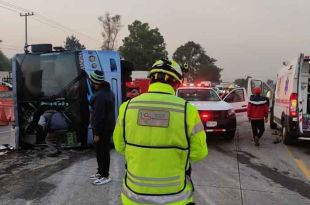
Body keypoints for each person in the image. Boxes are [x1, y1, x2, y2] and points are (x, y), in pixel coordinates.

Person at [113, 59, 208, 205]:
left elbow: (119, 147)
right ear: (177, 83)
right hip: (175, 197)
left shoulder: (127, 107)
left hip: (134, 196)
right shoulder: (187, 110)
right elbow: (198, 153)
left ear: (150, 80)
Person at [88, 70, 115, 185]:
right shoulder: (109, 92)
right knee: (101, 151)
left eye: (91, 80)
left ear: (95, 81)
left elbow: (99, 116)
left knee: (102, 152)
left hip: (102, 129)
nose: (91, 83)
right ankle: (100, 172)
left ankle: (105, 175)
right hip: (107, 127)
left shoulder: (99, 96)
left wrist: (97, 133)